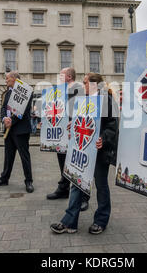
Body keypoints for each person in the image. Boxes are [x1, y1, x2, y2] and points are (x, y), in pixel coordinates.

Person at [50, 72, 119, 235]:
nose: (83, 85)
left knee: (101, 185)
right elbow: (80, 122)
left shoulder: (106, 101)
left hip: (99, 151)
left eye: (85, 82)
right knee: (75, 183)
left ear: (94, 84)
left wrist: (103, 138)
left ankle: (101, 221)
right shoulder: (83, 100)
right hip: (81, 150)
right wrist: (71, 127)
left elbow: (113, 125)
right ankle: (69, 222)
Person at [46, 67, 90, 212]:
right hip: (61, 133)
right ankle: (63, 188)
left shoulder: (79, 88)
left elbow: (84, 109)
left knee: (77, 164)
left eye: (61, 74)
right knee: (62, 161)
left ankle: (83, 197)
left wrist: (75, 120)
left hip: (76, 132)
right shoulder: (58, 90)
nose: (59, 76)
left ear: (69, 76)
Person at [0, 71, 34, 193]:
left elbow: (23, 111)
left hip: (21, 129)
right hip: (9, 129)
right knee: (8, 155)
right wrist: (4, 119)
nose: (5, 81)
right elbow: (3, 108)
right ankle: (4, 178)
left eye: (7, 79)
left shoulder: (26, 92)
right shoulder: (8, 93)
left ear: (14, 79)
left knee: (24, 156)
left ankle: (28, 181)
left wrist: (11, 120)